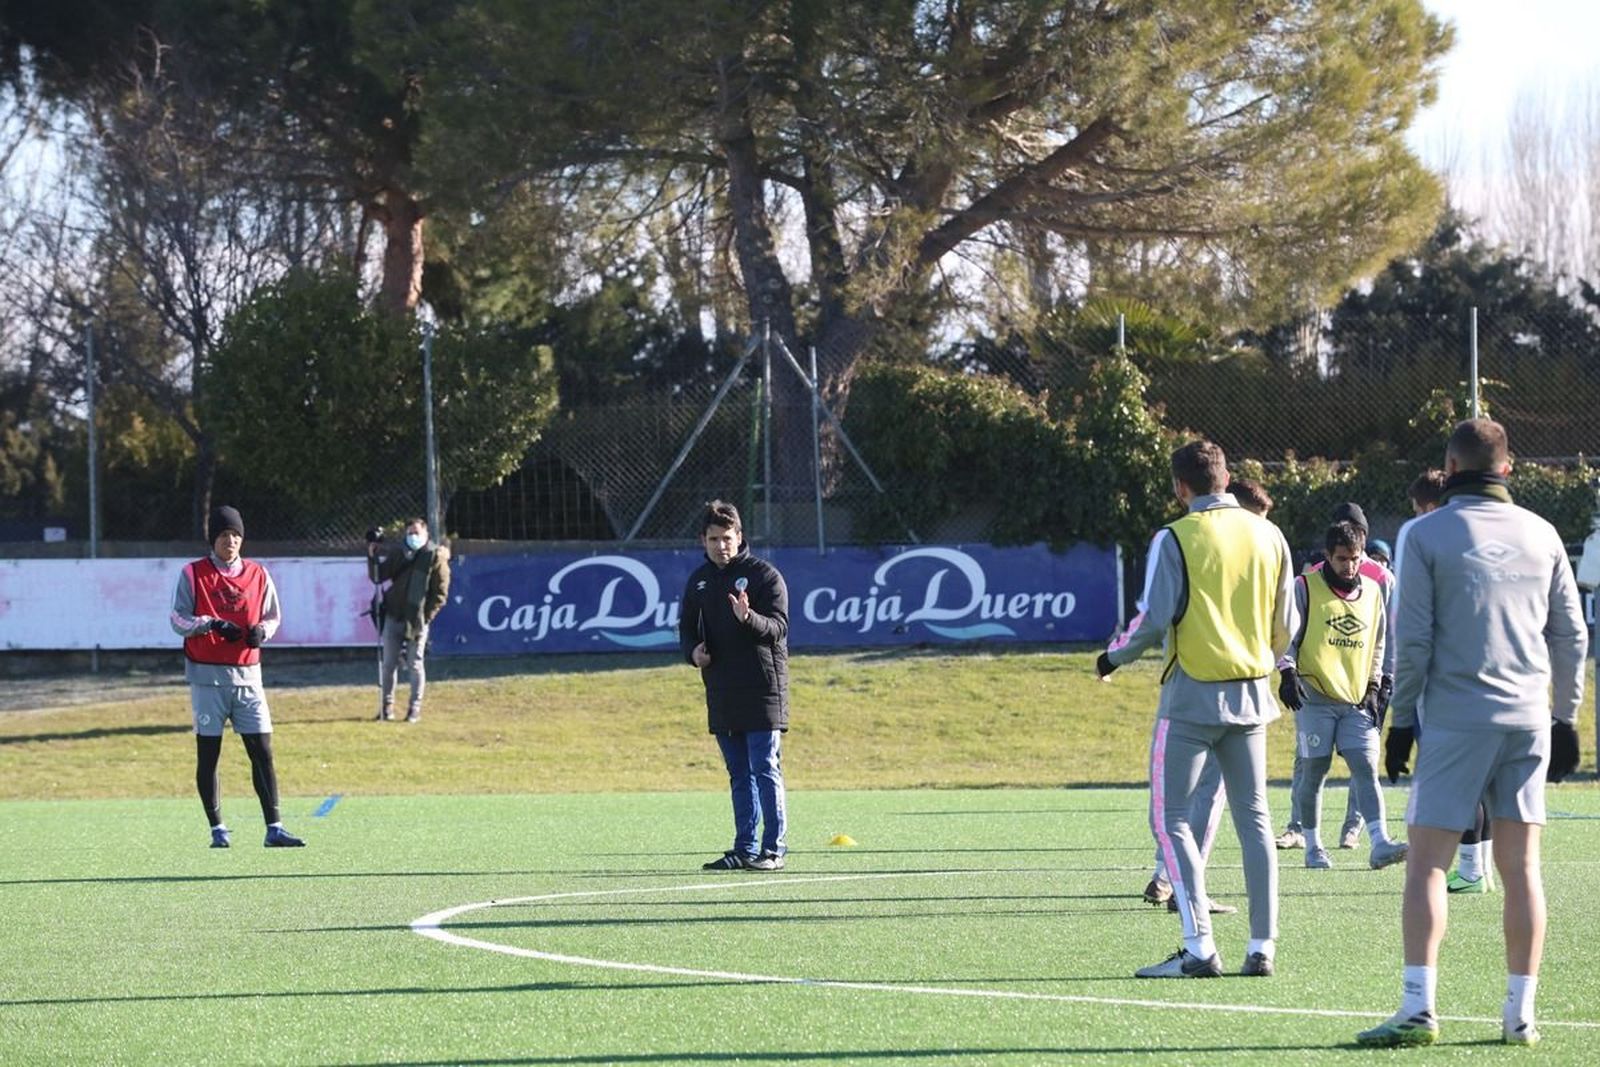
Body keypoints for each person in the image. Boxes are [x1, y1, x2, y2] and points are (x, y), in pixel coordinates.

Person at [1358, 419, 1585, 1048]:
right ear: (1508, 469)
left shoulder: (1422, 532)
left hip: (1457, 719)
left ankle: (1418, 1008)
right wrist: (1565, 716)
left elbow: (1414, 637)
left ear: (1449, 470)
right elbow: (1571, 634)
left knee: (1428, 866)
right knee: (1522, 870)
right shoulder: (1542, 533)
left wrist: (1401, 720)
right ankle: (1520, 1017)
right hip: (1528, 719)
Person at [1098, 441, 1296, 979]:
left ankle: (1200, 946)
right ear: (1227, 477)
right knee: (1255, 821)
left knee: (1170, 819)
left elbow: (1154, 618)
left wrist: (1111, 658)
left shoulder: (1173, 537)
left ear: (1180, 488)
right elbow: (1288, 624)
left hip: (1190, 698)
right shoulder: (1270, 534)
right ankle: (1262, 947)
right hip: (1253, 694)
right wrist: (1265, 661)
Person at [1136, 477, 1273, 915]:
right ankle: (1258, 943)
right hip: (1235, 694)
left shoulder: (1190, 539)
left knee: (1189, 804)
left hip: (1202, 692)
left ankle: (1182, 901)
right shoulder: (1247, 542)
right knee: (1234, 810)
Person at [168, 505, 305, 849]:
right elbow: (177, 620)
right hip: (207, 679)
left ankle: (274, 827)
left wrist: (263, 631)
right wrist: (210, 624)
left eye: (236, 535)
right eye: (224, 535)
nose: (230, 541)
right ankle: (218, 829)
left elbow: (273, 615)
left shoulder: (258, 574)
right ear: (213, 539)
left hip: (248, 677)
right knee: (209, 753)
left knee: (262, 750)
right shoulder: (193, 574)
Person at [1280, 520, 1407, 871]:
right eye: (1341, 559)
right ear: (1327, 556)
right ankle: (1313, 846)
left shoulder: (1372, 590)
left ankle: (1380, 842)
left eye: (1354, 558)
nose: (1349, 566)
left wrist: (1376, 683)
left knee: (1366, 768)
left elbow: (1378, 642)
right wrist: (1286, 671)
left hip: (1356, 700)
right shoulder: (1305, 588)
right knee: (1315, 770)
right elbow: (1284, 634)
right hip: (1315, 697)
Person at [679, 500, 790, 872]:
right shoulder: (698, 582)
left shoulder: (764, 576)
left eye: (727, 538)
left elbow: (779, 629)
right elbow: (686, 630)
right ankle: (744, 848)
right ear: (703, 540)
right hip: (722, 690)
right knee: (738, 774)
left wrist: (749, 618)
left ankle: (773, 850)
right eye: (713, 539)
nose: (720, 545)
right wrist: (693, 652)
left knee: (764, 768)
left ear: (740, 537)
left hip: (762, 689)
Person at [1396, 470, 1493, 894]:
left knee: (1456, 780)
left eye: (1419, 509)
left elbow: (1415, 626)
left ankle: (1470, 869)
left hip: (1444, 681)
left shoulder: (1422, 537)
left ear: (1430, 506)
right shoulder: (1480, 534)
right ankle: (1479, 868)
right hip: (1489, 677)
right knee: (1482, 778)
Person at [368, 517, 451, 723]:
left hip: (417, 619)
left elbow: (440, 593)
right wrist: (372, 556)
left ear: (426, 535)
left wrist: (425, 617)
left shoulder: (434, 556)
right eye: (410, 533)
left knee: (415, 664)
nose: (413, 537)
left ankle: (414, 708)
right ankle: (386, 707)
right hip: (394, 614)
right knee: (388, 664)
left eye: (417, 533)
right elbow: (379, 576)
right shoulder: (399, 553)